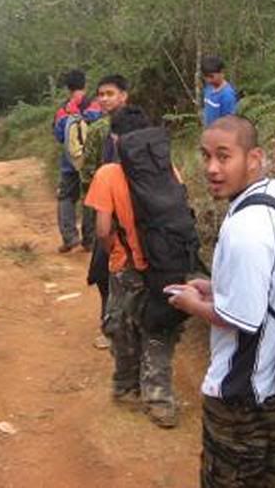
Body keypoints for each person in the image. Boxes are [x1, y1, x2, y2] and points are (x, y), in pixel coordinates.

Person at [168, 115, 275, 487]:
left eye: (224, 156)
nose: (212, 168)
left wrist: (190, 302)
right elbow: (273, 280)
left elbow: (242, 318)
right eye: (205, 156)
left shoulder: (245, 227)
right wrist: (217, 287)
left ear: (254, 157)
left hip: (241, 400)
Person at [84, 105, 181, 429]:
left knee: (123, 325)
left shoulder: (108, 174)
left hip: (125, 266)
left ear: (115, 138)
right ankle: (160, 401)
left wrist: (117, 249)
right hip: (164, 264)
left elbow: (101, 228)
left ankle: (127, 387)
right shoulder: (168, 169)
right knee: (159, 328)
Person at [79, 74, 130, 350]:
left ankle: (125, 328)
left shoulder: (137, 125)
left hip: (131, 212)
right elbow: (88, 169)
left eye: (110, 93)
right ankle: (110, 324)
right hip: (106, 209)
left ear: (124, 95)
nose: (104, 98)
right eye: (101, 94)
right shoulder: (99, 130)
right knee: (103, 271)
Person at [53, 69, 102, 253]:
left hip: (69, 162)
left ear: (68, 88)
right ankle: (89, 240)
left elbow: (59, 135)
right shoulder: (95, 106)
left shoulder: (63, 109)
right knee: (90, 198)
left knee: (66, 197)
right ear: (85, 84)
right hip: (90, 162)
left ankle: (70, 238)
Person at [201, 55, 238, 126]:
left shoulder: (227, 96)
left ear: (222, 73)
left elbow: (229, 122)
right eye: (206, 76)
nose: (208, 80)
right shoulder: (208, 88)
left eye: (211, 76)